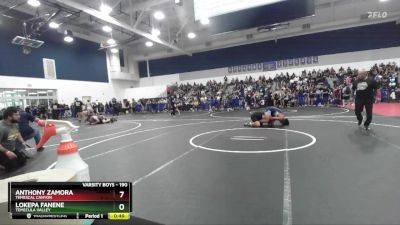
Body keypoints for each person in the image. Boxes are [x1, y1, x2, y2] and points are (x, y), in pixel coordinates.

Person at [0, 107, 29, 172]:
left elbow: (16, 134)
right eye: (16, 115)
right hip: (2, 151)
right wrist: (7, 152)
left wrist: (23, 142)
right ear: (9, 117)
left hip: (10, 148)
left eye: (18, 114)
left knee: (22, 161)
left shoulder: (14, 124)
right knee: (12, 167)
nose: (19, 116)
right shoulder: (1, 128)